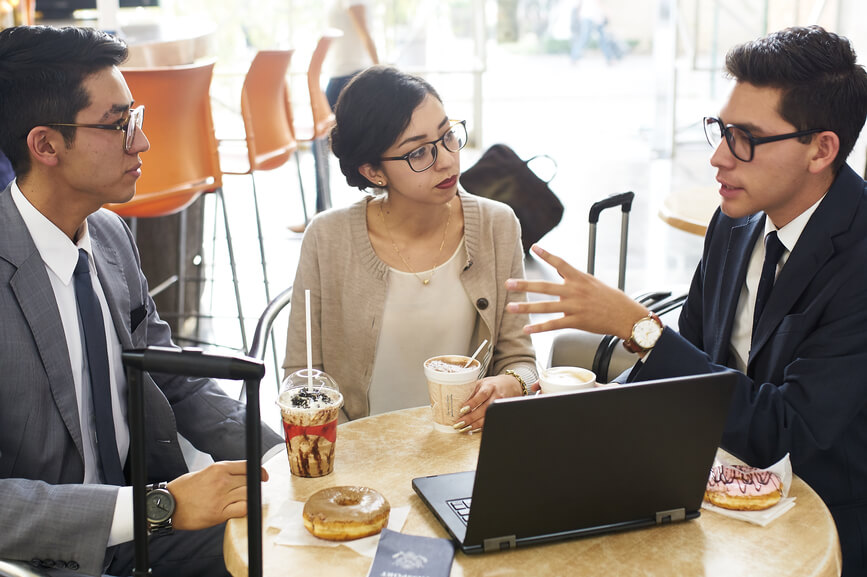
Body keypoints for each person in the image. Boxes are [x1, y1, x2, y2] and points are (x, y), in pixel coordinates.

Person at [505, 26, 867, 576]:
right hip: (716, 486)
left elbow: (786, 435)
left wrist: (640, 327)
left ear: (822, 149)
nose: (720, 157)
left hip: (822, 522)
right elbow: (693, 365)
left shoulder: (859, 258)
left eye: (746, 137)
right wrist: (564, 420)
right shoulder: (734, 221)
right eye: (721, 130)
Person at [0, 26, 284, 577]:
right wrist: (165, 504)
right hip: (45, 556)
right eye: (117, 124)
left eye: (137, 117)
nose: (143, 142)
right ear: (45, 145)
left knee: (305, 549)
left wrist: (276, 453)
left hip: (146, 531)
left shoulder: (108, 235)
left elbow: (171, 375)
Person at [283, 65, 538, 430]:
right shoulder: (328, 238)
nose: (447, 159)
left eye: (448, 135)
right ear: (373, 172)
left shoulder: (497, 226)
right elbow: (302, 377)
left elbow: (522, 362)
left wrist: (512, 384)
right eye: (418, 153)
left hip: (462, 455)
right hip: (358, 461)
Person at [287, 0, 381, 234]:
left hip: (349, 77)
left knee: (329, 142)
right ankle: (322, 210)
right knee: (324, 142)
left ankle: (323, 210)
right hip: (344, 74)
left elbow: (365, 33)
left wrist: (382, 73)